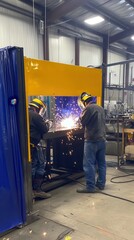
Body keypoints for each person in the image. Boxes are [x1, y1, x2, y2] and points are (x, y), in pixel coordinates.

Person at [77, 92, 106, 193]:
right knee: (101, 163)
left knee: (89, 164)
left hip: (91, 141)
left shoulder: (88, 108)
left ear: (84, 102)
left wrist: (79, 118)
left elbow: (82, 121)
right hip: (102, 140)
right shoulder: (100, 107)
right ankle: (101, 184)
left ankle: (90, 187)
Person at [29, 98, 52, 199]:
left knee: (32, 166)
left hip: (28, 144)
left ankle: (29, 190)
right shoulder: (36, 115)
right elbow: (44, 129)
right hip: (34, 145)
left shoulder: (26, 113)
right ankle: (36, 190)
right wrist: (48, 124)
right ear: (38, 108)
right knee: (40, 164)